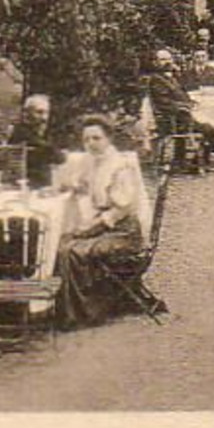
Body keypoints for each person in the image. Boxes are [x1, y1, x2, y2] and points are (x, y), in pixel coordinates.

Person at [54, 115, 148, 329]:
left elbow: (123, 209)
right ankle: (72, 309)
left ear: (108, 138)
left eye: (96, 138)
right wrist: (71, 186)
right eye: (86, 140)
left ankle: (85, 312)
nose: (91, 144)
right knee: (63, 243)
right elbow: (86, 186)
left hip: (124, 232)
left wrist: (93, 227)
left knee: (73, 251)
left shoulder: (119, 166)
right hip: (105, 226)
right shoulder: (94, 162)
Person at [147, 48, 214, 174]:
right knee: (209, 129)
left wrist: (189, 102)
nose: (167, 62)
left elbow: (180, 95)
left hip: (181, 118)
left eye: (169, 59)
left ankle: (207, 161)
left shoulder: (169, 78)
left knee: (211, 125)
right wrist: (185, 106)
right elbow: (164, 104)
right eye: (162, 59)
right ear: (156, 62)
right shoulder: (156, 80)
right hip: (172, 122)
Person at [8, 93, 60, 187]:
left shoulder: (44, 133)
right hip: (24, 186)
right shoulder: (21, 132)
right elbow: (56, 155)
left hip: (43, 187)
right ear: (26, 113)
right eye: (39, 112)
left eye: (46, 113)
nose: (44, 117)